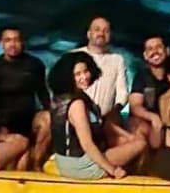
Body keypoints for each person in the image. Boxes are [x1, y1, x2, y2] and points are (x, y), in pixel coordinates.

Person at [48, 54, 147, 182]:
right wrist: (112, 170)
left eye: (85, 71)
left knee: (127, 141)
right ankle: (136, 182)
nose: (84, 77)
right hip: (81, 165)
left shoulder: (63, 97)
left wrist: (128, 137)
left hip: (65, 160)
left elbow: (102, 123)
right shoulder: (77, 104)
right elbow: (87, 144)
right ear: (68, 77)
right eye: (77, 74)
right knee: (141, 144)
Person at [0, 26, 52, 169]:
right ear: (1, 43)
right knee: (21, 166)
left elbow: (43, 94)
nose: (12, 44)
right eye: (8, 40)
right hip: (5, 125)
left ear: (22, 42)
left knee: (48, 118)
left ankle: (38, 161)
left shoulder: (35, 65)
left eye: (16, 40)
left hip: (29, 121)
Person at [74, 16, 130, 117]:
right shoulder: (73, 56)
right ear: (89, 34)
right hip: (77, 118)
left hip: (106, 119)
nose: (101, 34)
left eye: (106, 31)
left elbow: (122, 92)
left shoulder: (117, 60)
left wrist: (115, 113)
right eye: (97, 29)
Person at [127, 32, 170, 147]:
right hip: (147, 120)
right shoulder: (142, 77)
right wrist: (153, 117)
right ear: (145, 55)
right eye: (150, 49)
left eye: (158, 47)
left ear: (167, 51)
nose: (155, 52)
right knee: (139, 127)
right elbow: (135, 106)